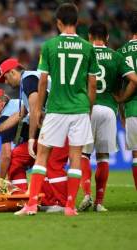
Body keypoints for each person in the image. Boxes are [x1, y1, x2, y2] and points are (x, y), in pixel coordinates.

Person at [18, 3, 99, 216]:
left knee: (42, 156)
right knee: (74, 157)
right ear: (78, 22)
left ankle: (32, 204)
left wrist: (37, 110)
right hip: (80, 108)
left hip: (56, 108)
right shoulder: (88, 47)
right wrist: (87, 110)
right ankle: (70, 207)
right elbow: (92, 84)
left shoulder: (49, 46)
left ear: (58, 23)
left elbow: (42, 82)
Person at [0, 59, 69, 211]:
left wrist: (32, 138)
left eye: (6, 77)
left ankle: (59, 203)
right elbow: (21, 113)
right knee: (35, 161)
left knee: (52, 164)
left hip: (58, 123)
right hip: (56, 122)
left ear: (13, 72)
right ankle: (34, 199)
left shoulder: (27, 79)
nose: (6, 83)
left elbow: (35, 109)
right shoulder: (26, 84)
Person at [78, 22, 137, 212]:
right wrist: (121, 99)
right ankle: (99, 203)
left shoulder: (84, 54)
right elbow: (133, 80)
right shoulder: (116, 56)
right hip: (109, 111)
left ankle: (87, 193)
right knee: (103, 157)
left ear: (89, 37)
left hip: (88, 108)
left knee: (83, 154)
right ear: (108, 38)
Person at [117, 11, 137, 191]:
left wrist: (122, 103)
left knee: (136, 156)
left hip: (132, 110)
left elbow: (120, 87)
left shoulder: (121, 53)